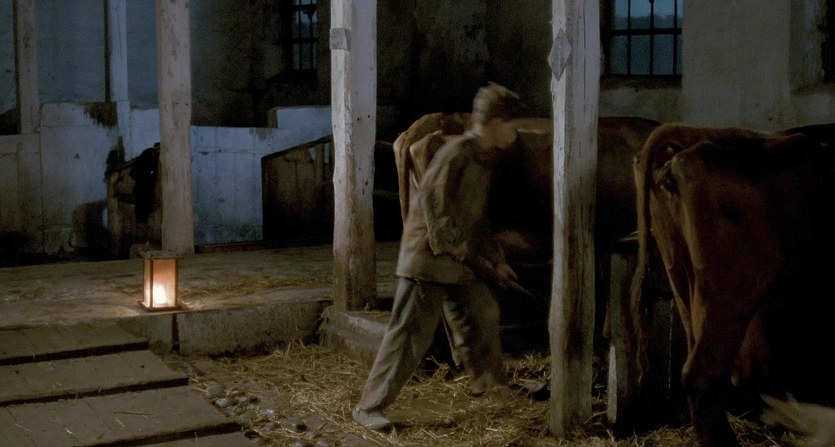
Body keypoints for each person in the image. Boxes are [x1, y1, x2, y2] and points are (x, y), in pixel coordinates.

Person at [352, 83, 526, 431]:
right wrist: (451, 242)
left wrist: (495, 259)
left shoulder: (483, 159)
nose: (515, 132)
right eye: (512, 124)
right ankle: (369, 407)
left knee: (483, 312)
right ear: (495, 122)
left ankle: (490, 386)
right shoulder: (456, 152)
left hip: (456, 264)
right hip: (428, 260)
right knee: (410, 334)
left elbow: (477, 218)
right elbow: (431, 202)